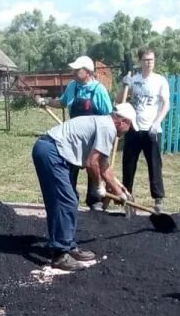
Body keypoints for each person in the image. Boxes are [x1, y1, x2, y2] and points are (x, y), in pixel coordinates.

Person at [32, 102, 135, 271]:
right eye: (129, 126)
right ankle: (60, 254)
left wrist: (118, 190)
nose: (127, 131)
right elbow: (91, 163)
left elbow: (104, 165)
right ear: (122, 121)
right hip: (52, 152)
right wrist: (99, 186)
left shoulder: (104, 124)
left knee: (68, 200)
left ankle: (67, 245)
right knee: (66, 202)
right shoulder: (107, 128)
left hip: (57, 153)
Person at [36, 55, 113, 211]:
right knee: (70, 169)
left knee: (94, 168)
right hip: (73, 138)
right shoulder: (72, 86)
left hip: (93, 138)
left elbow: (108, 117)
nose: (73, 71)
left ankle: (95, 201)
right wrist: (47, 101)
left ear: (87, 72)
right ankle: (70, 201)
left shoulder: (99, 91)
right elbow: (63, 102)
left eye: (77, 69)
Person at [117, 47, 170, 214]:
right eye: (146, 60)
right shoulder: (135, 80)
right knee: (128, 164)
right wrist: (124, 84)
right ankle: (128, 198)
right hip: (134, 128)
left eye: (151, 60)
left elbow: (166, 104)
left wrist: (157, 122)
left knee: (154, 165)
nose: (149, 63)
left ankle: (158, 200)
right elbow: (119, 100)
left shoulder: (160, 80)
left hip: (152, 130)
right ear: (140, 62)